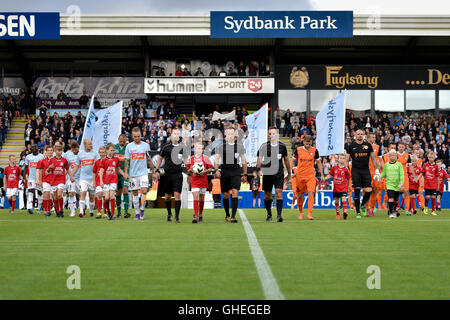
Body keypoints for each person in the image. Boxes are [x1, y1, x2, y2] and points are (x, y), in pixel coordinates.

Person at [257, 127, 291, 222]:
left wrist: (289, 173)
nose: (272, 135)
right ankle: (269, 214)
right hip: (267, 173)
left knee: (278, 192)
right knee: (267, 195)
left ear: (277, 134)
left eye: (274, 133)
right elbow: (259, 159)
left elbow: (286, 160)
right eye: (270, 133)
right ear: (268, 135)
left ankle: (279, 215)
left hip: (279, 173)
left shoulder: (282, 146)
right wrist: (258, 169)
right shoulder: (264, 146)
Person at [214, 127, 247, 223]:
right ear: (226, 136)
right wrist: (216, 170)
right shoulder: (221, 147)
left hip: (236, 172)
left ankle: (233, 216)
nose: (230, 135)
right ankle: (227, 214)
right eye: (228, 134)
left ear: (235, 136)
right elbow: (216, 159)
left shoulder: (240, 147)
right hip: (224, 172)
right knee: (225, 195)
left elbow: (244, 160)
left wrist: (245, 174)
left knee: (235, 192)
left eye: (232, 134)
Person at [345, 129, 380, 219]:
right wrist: (345, 170)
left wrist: (376, 170)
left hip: (365, 170)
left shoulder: (368, 145)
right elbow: (347, 159)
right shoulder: (351, 146)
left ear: (363, 135)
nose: (360, 135)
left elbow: (373, 158)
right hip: (355, 171)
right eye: (358, 134)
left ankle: (363, 204)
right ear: (355, 135)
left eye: (361, 134)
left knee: (369, 191)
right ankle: (358, 212)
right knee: (356, 191)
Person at [154, 128, 186, 222]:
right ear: (171, 135)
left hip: (178, 175)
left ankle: (177, 217)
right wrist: (157, 170)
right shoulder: (166, 147)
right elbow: (160, 158)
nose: (176, 135)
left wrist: (189, 170)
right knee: (167, 197)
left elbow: (186, 160)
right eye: (174, 133)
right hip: (167, 175)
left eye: (177, 134)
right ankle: (169, 213)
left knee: (177, 195)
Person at [124, 127, 154, 221]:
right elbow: (127, 161)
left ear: (141, 135)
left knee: (144, 191)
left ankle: (142, 210)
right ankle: (137, 213)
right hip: (133, 174)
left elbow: (149, 159)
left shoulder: (145, 145)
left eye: (138, 136)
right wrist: (126, 172)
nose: (137, 138)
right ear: (132, 137)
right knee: (135, 193)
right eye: (135, 136)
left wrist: (153, 171)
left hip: (143, 173)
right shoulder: (129, 147)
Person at [292, 135, 324, 220]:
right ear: (303, 142)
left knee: (311, 193)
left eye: (309, 144)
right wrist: (291, 172)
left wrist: (322, 174)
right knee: (299, 195)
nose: (308, 145)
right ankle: (301, 212)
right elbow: (293, 161)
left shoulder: (314, 150)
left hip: (310, 176)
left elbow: (318, 163)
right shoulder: (298, 150)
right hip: (300, 176)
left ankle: (309, 214)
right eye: (307, 143)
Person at [186, 143, 212, 223]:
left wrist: (204, 171)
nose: (199, 150)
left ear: (202, 150)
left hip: (203, 180)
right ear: (195, 149)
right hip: (194, 180)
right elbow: (188, 170)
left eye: (200, 148)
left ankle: (200, 214)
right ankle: (196, 216)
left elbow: (210, 169)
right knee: (196, 196)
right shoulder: (191, 159)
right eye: (197, 148)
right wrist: (192, 170)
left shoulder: (206, 158)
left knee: (201, 198)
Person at [99, 143, 125, 220]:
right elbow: (101, 171)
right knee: (106, 198)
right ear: (107, 151)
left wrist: (123, 174)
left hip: (113, 180)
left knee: (112, 196)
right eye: (111, 150)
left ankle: (112, 214)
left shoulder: (116, 159)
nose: (113, 152)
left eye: (114, 150)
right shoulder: (104, 160)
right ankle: (107, 211)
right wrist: (101, 181)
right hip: (106, 181)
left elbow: (118, 169)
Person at [325, 154, 351, 220]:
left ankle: (345, 213)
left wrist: (348, 187)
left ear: (344, 160)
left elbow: (348, 178)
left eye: (343, 158)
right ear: (338, 159)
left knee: (343, 198)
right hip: (336, 187)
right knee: (337, 200)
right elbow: (330, 175)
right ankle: (337, 213)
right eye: (340, 158)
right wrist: (325, 178)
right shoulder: (334, 168)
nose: (342, 159)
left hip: (343, 187)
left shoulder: (346, 169)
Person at [380, 149, 405, 219]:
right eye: (391, 155)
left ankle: (393, 211)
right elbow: (384, 174)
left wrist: (401, 183)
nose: (393, 157)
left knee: (396, 200)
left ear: (396, 156)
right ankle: (391, 213)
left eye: (394, 155)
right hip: (389, 185)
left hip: (397, 185)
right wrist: (378, 176)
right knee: (390, 198)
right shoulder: (386, 165)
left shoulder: (399, 165)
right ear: (389, 156)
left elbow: (401, 175)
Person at [47, 145, 70, 217]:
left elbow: (67, 169)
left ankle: (61, 210)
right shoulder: (51, 160)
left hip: (61, 180)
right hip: (53, 180)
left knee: (59, 194)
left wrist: (71, 176)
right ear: (55, 151)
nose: (59, 152)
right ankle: (57, 211)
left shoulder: (64, 160)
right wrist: (49, 168)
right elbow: (47, 171)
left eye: (61, 151)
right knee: (55, 196)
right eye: (58, 151)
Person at [78, 138, 99, 217]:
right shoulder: (80, 154)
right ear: (85, 145)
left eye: (91, 144)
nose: (91, 145)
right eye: (89, 144)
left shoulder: (95, 154)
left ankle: (91, 210)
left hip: (92, 178)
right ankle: (81, 212)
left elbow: (97, 165)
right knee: (82, 193)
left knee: (91, 197)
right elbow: (77, 165)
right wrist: (72, 175)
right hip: (83, 178)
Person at [24, 144, 44, 214]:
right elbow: (26, 168)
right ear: (31, 150)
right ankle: (29, 207)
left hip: (39, 178)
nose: (34, 149)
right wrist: (24, 178)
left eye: (35, 148)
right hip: (31, 178)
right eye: (33, 148)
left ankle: (39, 208)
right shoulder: (28, 157)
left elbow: (43, 168)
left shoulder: (41, 156)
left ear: (38, 149)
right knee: (30, 191)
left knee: (40, 193)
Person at [418, 151, 440, 216]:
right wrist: (419, 179)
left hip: (433, 184)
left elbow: (437, 176)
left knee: (433, 197)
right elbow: (422, 173)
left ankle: (433, 210)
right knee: (427, 197)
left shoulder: (436, 166)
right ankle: (426, 207)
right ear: (428, 157)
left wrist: (438, 185)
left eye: (432, 157)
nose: (431, 159)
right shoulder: (425, 165)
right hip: (427, 184)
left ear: (434, 158)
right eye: (429, 157)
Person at [63, 141, 81, 217]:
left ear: (78, 148)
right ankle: (72, 211)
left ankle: (82, 210)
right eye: (73, 150)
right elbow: (65, 167)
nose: (75, 152)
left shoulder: (82, 154)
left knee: (82, 194)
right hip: (71, 177)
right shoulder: (67, 155)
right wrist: (66, 177)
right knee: (71, 193)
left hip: (81, 178)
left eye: (76, 150)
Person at [115, 134, 131, 218]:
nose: (122, 143)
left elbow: (127, 161)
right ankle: (118, 212)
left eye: (123, 141)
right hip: (116, 174)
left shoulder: (128, 148)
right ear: (118, 139)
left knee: (125, 190)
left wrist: (126, 172)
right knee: (118, 193)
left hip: (125, 173)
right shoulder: (114, 148)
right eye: (121, 141)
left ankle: (126, 211)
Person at [366, 132, 381, 216]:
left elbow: (380, 159)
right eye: (372, 137)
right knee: (367, 190)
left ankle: (372, 208)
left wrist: (379, 170)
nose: (373, 139)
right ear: (368, 138)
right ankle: (367, 208)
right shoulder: (363, 146)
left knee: (375, 190)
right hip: (366, 172)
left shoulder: (377, 147)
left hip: (375, 172)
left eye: (374, 137)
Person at [37, 145, 54, 216]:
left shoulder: (55, 160)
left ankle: (49, 209)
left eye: (51, 150)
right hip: (45, 180)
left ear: (53, 152)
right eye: (48, 150)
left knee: (51, 196)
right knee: (46, 194)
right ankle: (46, 210)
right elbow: (40, 171)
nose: (50, 152)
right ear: (46, 152)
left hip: (54, 180)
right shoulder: (43, 161)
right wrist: (40, 180)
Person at [397, 142, 412, 215]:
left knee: (406, 192)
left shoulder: (407, 155)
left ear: (404, 147)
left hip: (405, 176)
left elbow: (410, 166)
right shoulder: (395, 155)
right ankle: (395, 209)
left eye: (402, 147)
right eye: (400, 147)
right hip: (396, 176)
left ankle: (407, 210)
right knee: (395, 193)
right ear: (398, 147)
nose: (401, 148)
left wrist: (414, 175)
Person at [93, 146, 107, 219]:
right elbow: (94, 172)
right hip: (98, 181)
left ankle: (105, 212)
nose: (102, 154)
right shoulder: (97, 162)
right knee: (99, 194)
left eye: (103, 152)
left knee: (105, 197)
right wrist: (94, 182)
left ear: (105, 153)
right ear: (99, 153)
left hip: (106, 182)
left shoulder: (107, 161)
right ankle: (99, 211)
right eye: (100, 152)